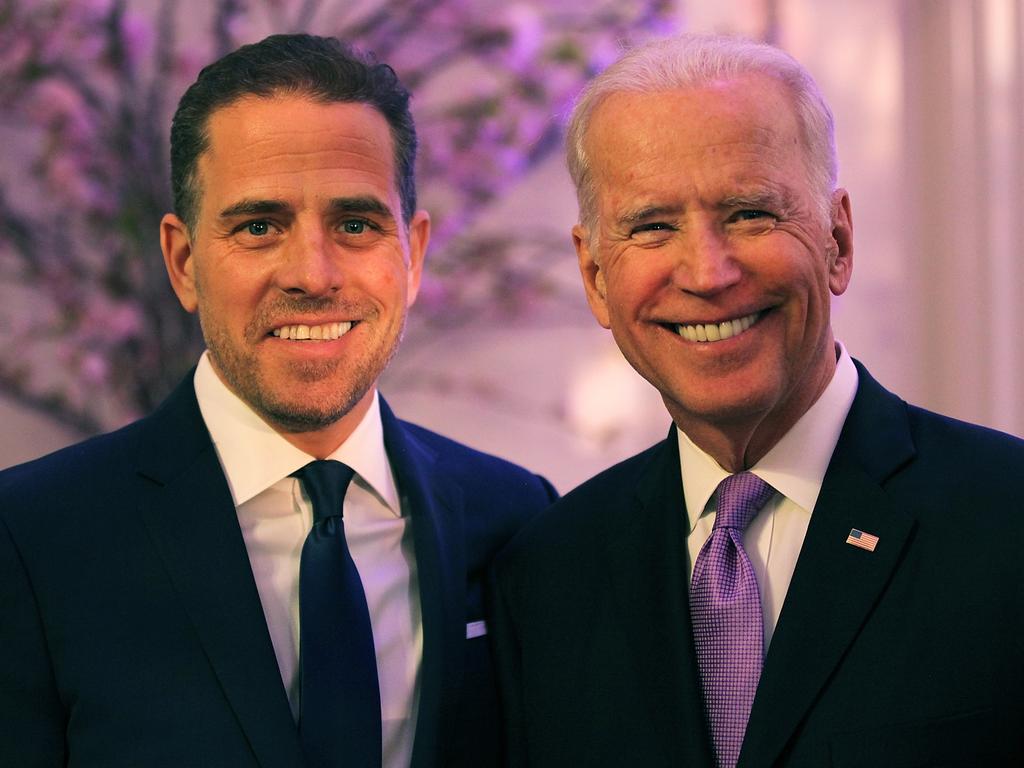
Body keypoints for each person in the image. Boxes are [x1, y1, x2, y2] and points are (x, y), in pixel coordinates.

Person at [0, 34, 556, 768]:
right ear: (184, 261)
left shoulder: (517, 519)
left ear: (413, 256)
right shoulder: (29, 539)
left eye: (355, 225)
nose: (312, 274)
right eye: (259, 227)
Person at [489, 33, 1024, 767]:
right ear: (594, 277)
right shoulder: (548, 574)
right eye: (652, 227)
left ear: (837, 239)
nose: (708, 273)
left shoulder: (1006, 518)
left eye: (749, 213)